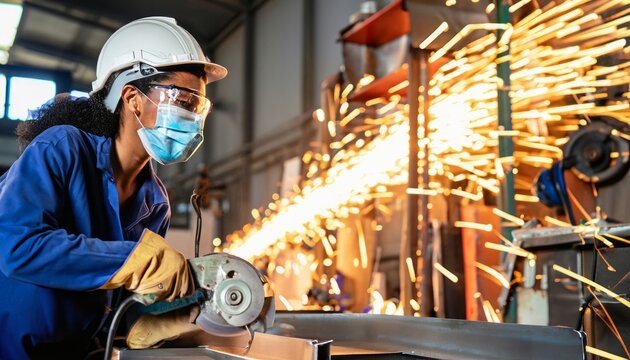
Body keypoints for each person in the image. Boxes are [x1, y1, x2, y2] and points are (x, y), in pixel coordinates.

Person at [0, 17, 227, 359]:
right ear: (132, 97)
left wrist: (145, 320)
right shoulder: (62, 147)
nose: (193, 120)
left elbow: (123, 296)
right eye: (183, 101)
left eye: (199, 107)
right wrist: (131, 259)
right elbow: (15, 245)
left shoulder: (156, 201)